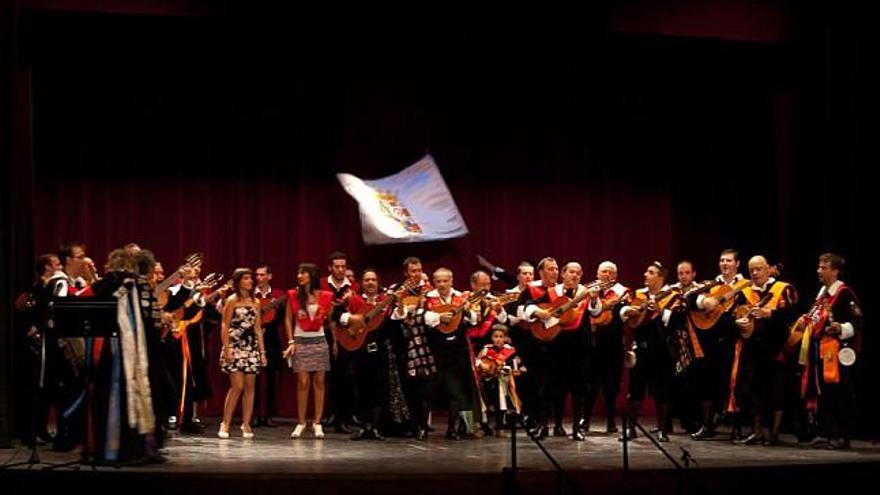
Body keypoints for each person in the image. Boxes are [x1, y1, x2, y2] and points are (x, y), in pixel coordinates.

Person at [218, 268, 267, 439]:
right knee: (237, 385)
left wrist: (262, 352)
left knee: (250, 386)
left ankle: (246, 423)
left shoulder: (256, 302)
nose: (250, 281)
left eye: (250, 278)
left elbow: (258, 327)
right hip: (234, 345)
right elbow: (224, 324)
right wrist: (226, 348)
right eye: (246, 278)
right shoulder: (232, 300)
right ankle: (225, 423)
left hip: (250, 347)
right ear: (239, 281)